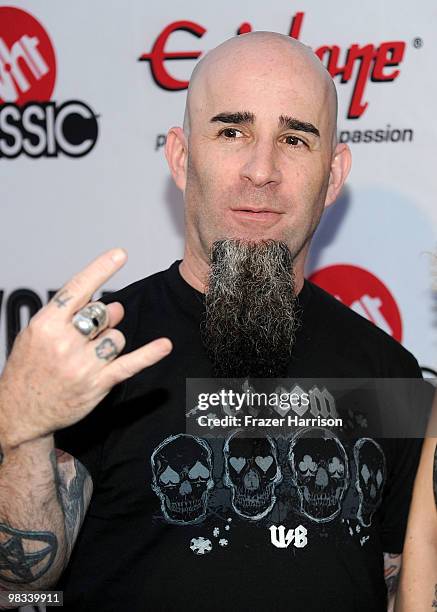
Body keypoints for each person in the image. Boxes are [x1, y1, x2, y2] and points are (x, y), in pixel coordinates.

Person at [0, 32, 423, 612]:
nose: (261, 171)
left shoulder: (388, 372)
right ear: (180, 156)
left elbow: (405, 586)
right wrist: (23, 434)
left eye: (295, 139)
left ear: (332, 175)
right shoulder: (99, 352)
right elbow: (22, 586)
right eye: (232, 132)